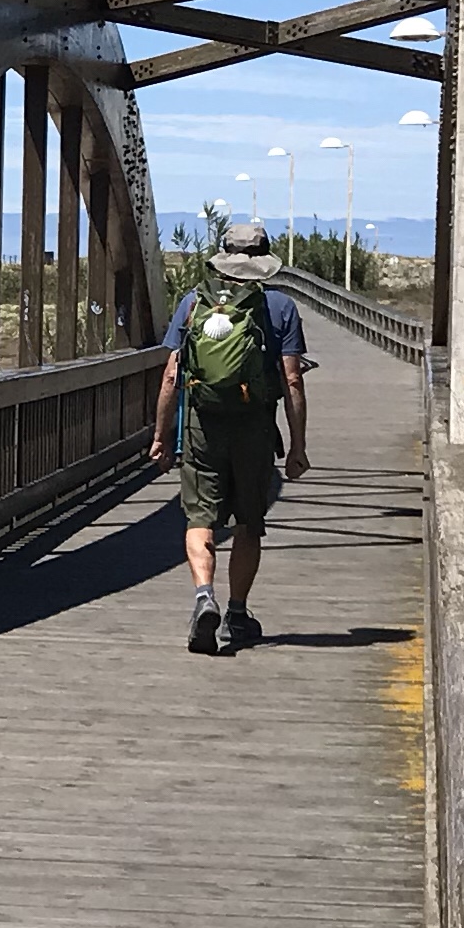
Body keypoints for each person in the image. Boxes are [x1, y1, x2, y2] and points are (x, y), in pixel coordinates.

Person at [149, 223, 309, 651]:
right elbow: (292, 380)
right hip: (255, 428)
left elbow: (171, 376)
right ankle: (236, 612)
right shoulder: (280, 306)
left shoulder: (193, 303)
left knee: (199, 518)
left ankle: (205, 596)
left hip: (202, 426)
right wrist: (297, 446)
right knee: (248, 524)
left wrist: (161, 435)